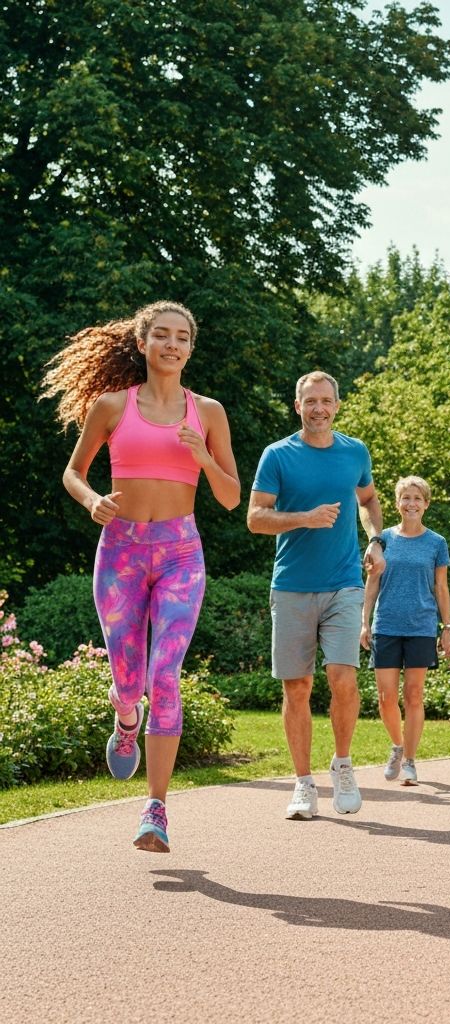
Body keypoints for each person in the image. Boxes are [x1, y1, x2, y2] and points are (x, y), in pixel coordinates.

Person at [44, 301, 240, 852]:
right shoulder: (112, 406)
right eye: (162, 335)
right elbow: (73, 472)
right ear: (143, 342)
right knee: (131, 681)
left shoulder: (208, 412)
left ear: (191, 348)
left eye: (182, 337)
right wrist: (92, 501)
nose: (172, 345)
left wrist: (203, 456)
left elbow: (231, 498)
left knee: (166, 675)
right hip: (121, 554)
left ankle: (155, 809)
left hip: (180, 553)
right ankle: (126, 715)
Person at [247, 370, 384, 820]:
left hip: (344, 582)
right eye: (311, 401)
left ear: (337, 405)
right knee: (298, 686)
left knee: (343, 678)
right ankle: (303, 783)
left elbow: (368, 499)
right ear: (298, 406)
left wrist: (376, 540)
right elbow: (255, 517)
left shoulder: (355, 451)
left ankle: (342, 765)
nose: (319, 408)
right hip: (291, 585)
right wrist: (304, 518)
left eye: (326, 401)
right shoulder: (277, 455)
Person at [360, 476, 450, 785]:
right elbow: (372, 582)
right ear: (398, 503)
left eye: (417, 498)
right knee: (386, 698)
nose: (411, 503)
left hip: (421, 626)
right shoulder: (382, 540)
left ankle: (410, 761)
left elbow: (441, 587)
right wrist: (364, 621)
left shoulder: (436, 543)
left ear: (426, 504)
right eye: (406, 498)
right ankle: (397, 746)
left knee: (413, 695)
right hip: (386, 625)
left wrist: (446, 627)